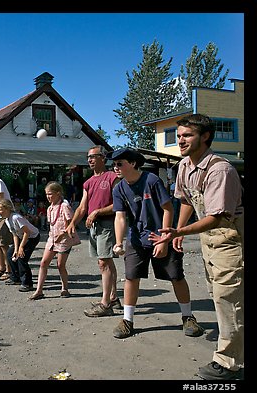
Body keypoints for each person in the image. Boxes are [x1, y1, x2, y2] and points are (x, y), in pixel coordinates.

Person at [150, 114, 244, 380]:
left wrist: (179, 231)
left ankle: (229, 363)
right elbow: (187, 200)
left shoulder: (220, 170)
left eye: (187, 135)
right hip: (208, 239)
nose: (180, 140)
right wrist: (178, 232)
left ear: (205, 137)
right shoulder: (184, 166)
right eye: (179, 135)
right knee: (219, 295)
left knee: (229, 300)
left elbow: (216, 217)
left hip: (229, 239)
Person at [106, 147, 204, 343]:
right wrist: (118, 242)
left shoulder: (151, 180)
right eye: (114, 164)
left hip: (160, 235)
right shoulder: (118, 188)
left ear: (132, 163)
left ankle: (188, 317)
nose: (115, 168)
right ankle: (127, 320)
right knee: (131, 278)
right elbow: (120, 217)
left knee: (176, 276)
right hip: (136, 239)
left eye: (119, 164)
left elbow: (168, 209)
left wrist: (165, 239)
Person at [66, 145, 122, 317]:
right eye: (88, 157)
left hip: (107, 224)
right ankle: (113, 297)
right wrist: (72, 223)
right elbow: (83, 207)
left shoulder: (113, 177)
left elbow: (119, 205)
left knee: (104, 262)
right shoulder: (88, 182)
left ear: (102, 158)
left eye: (93, 156)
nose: (89, 160)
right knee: (106, 262)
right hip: (93, 227)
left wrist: (97, 211)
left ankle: (105, 304)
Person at [29, 181, 78, 300]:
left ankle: (65, 288)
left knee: (60, 265)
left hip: (63, 240)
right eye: (46, 194)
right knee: (43, 263)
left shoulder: (64, 206)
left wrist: (62, 234)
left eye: (50, 194)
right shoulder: (50, 208)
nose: (48, 197)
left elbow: (70, 224)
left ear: (58, 193)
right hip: (52, 238)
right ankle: (39, 290)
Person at [0, 199, 40, 292]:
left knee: (22, 257)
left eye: (1, 209)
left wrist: (21, 248)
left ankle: (27, 283)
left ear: (7, 208)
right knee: (10, 254)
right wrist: (16, 249)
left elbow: (27, 232)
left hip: (32, 236)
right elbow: (15, 234)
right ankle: (15, 277)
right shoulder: (7, 220)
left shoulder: (16, 217)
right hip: (21, 236)